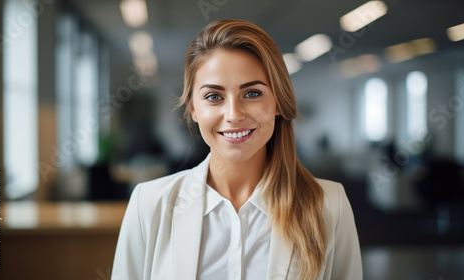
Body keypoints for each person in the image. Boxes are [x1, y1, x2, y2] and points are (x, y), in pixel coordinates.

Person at [112, 19, 362, 280]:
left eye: (252, 93)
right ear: (193, 109)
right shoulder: (149, 204)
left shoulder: (329, 204)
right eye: (214, 96)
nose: (233, 114)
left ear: (278, 102)